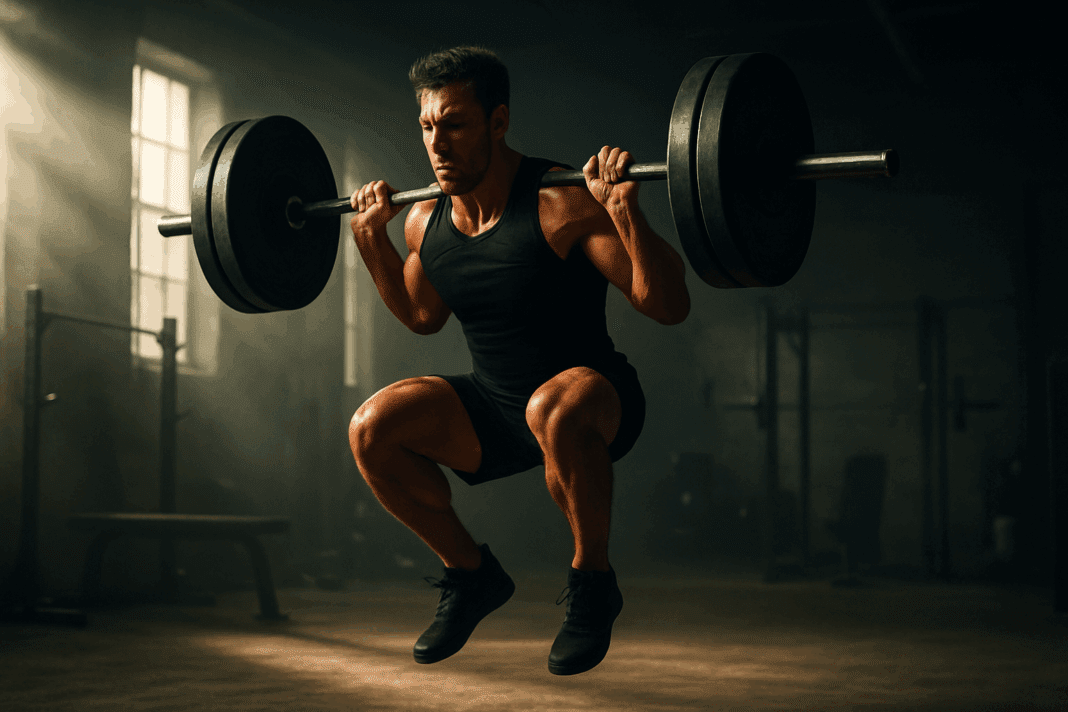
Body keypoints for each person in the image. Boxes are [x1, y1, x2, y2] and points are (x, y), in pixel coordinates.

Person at [347, 46, 690, 676]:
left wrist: (624, 211)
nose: (437, 145)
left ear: (498, 122)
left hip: (592, 399)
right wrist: (372, 241)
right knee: (372, 428)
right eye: (427, 126)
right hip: (498, 408)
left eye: (455, 124)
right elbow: (422, 316)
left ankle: (593, 584)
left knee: (553, 407)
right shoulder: (424, 220)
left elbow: (666, 305)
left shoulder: (560, 202)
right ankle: (470, 574)